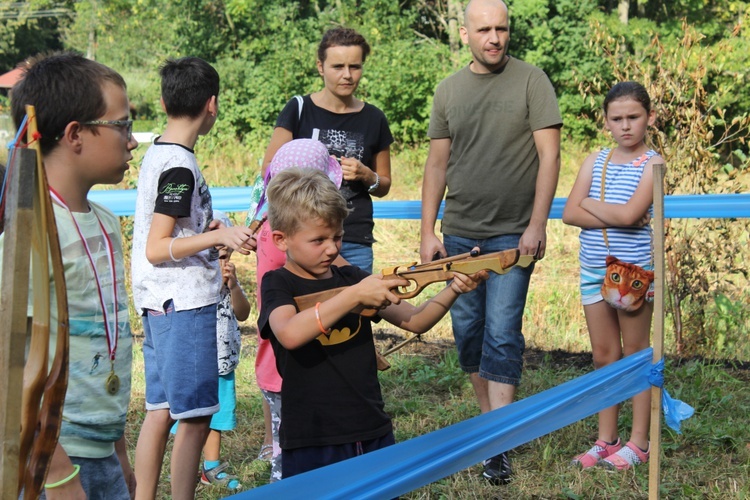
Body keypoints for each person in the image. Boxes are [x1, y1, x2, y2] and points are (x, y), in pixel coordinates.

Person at [258, 168, 488, 478]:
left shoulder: (351, 278)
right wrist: (354, 296)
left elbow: (416, 320)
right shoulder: (279, 283)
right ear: (280, 240)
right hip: (311, 436)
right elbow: (289, 334)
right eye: (318, 240)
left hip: (369, 425)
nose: (332, 248)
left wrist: (454, 288)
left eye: (338, 236)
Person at [419, 0, 562, 484]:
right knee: (469, 335)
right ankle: (490, 428)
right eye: (484, 29)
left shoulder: (531, 80)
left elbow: (550, 156)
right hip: (459, 234)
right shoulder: (448, 90)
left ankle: (497, 445)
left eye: (501, 28)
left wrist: (537, 224)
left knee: (502, 332)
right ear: (466, 35)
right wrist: (427, 231)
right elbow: (436, 165)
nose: (494, 37)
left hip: (513, 233)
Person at [4, 52, 137, 499]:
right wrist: (57, 473)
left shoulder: (106, 221)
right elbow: (9, 367)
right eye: (123, 125)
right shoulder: (29, 233)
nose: (133, 141)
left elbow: (108, 338)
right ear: (75, 134)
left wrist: (119, 453)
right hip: (49, 464)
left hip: (100, 452)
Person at [130, 56, 257, 499]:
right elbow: (157, 246)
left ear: (164, 101)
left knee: (160, 410)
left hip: (160, 304)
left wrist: (205, 232)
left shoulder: (161, 154)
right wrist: (218, 235)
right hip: (183, 304)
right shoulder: (180, 167)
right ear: (213, 105)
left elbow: (168, 230)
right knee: (198, 416)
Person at [562, 81, 660, 470]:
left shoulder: (652, 165)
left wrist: (587, 202)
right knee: (604, 355)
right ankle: (607, 438)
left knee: (635, 354)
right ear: (606, 122)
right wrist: (594, 207)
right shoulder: (595, 160)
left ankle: (639, 442)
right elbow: (569, 214)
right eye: (617, 119)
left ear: (649, 118)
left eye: (633, 117)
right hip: (594, 269)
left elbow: (630, 215)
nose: (625, 126)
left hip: (634, 274)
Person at [261, 27, 394, 273]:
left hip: (353, 236)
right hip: (305, 236)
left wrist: (367, 176)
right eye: (337, 67)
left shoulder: (374, 118)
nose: (347, 75)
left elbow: (384, 185)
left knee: (357, 309)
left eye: (355, 66)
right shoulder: (299, 109)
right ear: (320, 67)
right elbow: (269, 171)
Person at [250, 138, 344, 483]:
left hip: (284, 366)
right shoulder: (287, 251)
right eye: (319, 238)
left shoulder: (273, 233)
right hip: (288, 366)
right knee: (290, 458)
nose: (330, 248)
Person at [169, 211, 250, 491]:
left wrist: (234, 285)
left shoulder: (229, 279)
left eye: (224, 253)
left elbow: (243, 314)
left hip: (223, 360)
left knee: (216, 417)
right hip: (194, 358)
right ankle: (184, 469)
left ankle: (211, 468)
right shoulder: (191, 280)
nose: (220, 260)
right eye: (213, 252)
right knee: (189, 418)